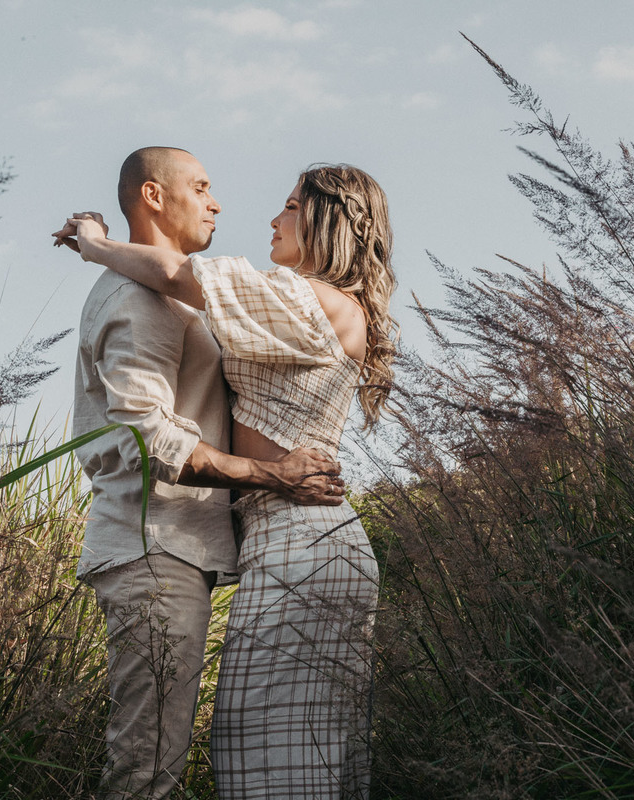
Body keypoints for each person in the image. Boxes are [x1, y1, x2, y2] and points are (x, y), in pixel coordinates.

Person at [56, 163, 398, 799]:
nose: (271, 218)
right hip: (286, 540)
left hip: (304, 539)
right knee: (280, 751)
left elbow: (176, 275)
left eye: (290, 207)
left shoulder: (312, 300)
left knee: (270, 755)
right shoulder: (285, 307)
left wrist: (95, 243)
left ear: (329, 221)